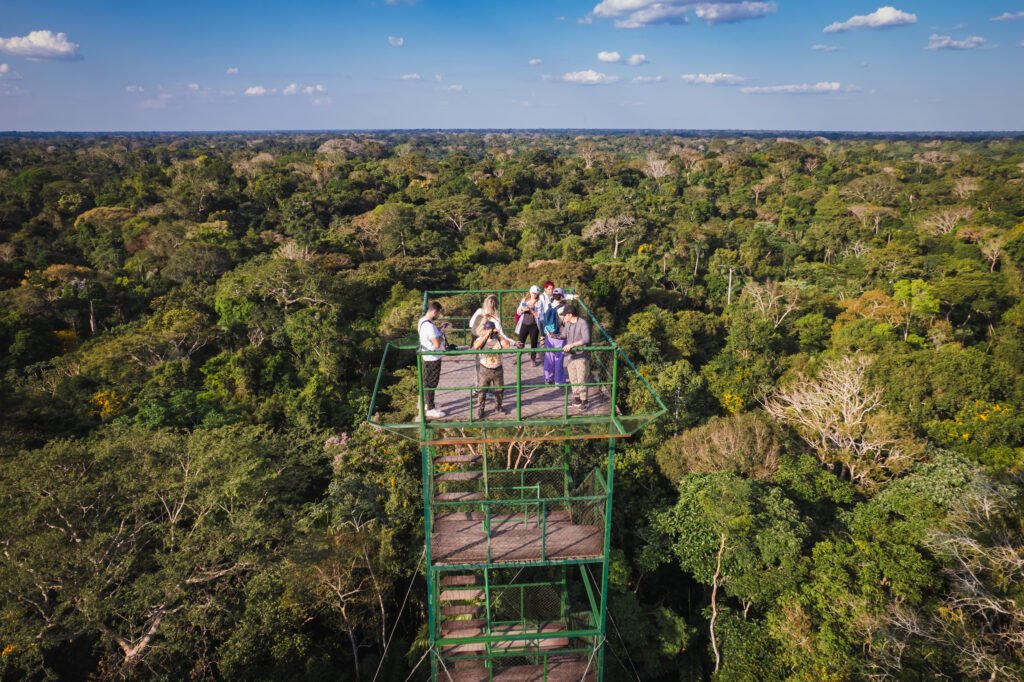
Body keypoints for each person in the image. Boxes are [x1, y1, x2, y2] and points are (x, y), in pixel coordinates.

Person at [471, 320, 510, 418]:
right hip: (485, 369)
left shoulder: (498, 339)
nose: (490, 331)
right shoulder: (481, 338)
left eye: (491, 329)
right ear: (484, 330)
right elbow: (475, 346)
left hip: (497, 369)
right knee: (482, 391)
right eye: (487, 329)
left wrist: (499, 335)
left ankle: (498, 407)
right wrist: (486, 335)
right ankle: (481, 409)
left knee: (499, 390)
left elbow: (507, 345)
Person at [418, 300, 448, 419]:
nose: (438, 316)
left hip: (426, 356)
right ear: (434, 311)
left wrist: (438, 330)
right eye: (438, 313)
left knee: (427, 381)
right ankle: (430, 408)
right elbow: (436, 343)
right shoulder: (430, 326)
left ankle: (428, 403)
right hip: (433, 358)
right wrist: (441, 333)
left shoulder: (422, 321)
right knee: (432, 383)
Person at [560, 305, 591, 410]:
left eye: (564, 315)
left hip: (581, 356)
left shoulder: (583, 323)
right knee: (573, 378)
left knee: (581, 378)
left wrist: (572, 345)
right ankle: (577, 399)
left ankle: (585, 401)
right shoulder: (568, 324)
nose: (563, 317)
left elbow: (586, 339)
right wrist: (552, 335)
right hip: (571, 356)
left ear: (570, 315)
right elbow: (563, 335)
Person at [542, 288, 568, 385]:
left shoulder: (548, 306)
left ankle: (548, 378)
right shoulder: (563, 308)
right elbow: (566, 322)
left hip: (549, 335)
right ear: (561, 296)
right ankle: (559, 381)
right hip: (559, 336)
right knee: (559, 359)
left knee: (549, 357)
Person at [515, 285, 542, 366]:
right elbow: (518, 312)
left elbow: (538, 315)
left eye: (537, 293)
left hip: (534, 325)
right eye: (534, 293)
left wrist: (530, 309)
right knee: (520, 341)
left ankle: (533, 359)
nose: (535, 295)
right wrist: (523, 309)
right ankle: (518, 358)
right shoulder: (525, 300)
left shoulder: (539, 302)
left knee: (533, 342)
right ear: (530, 292)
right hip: (524, 324)